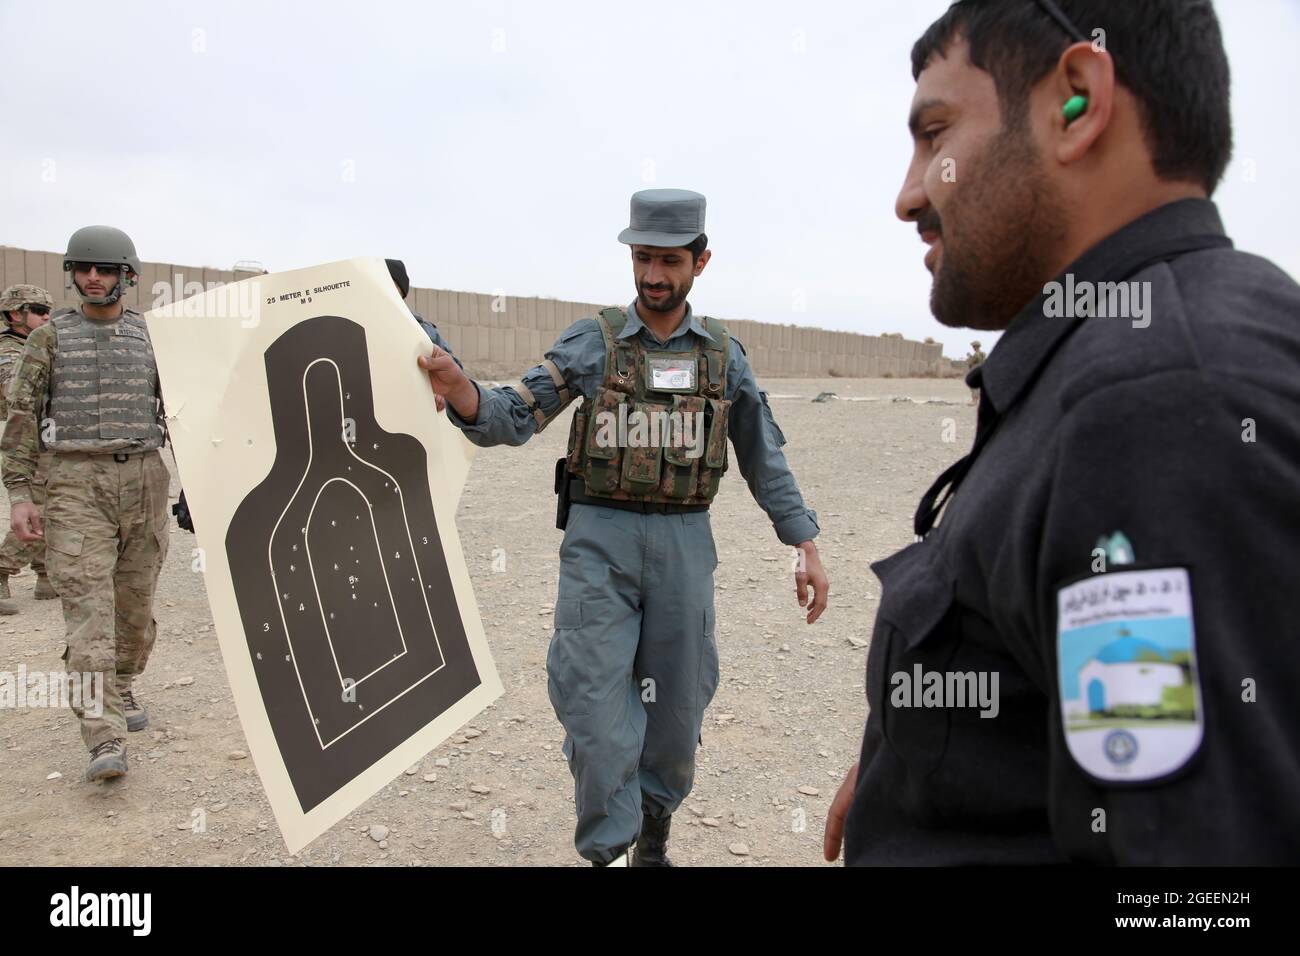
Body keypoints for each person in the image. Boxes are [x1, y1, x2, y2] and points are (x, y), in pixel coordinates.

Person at [824, 0, 1300, 865]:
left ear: (1076, 100)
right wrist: (927, 764)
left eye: (936, 133)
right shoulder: (1130, 349)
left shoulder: (1155, 403)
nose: (909, 194)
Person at [420, 188, 829, 866]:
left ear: (701, 261)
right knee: (595, 715)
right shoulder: (593, 343)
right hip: (599, 545)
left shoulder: (724, 356)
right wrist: (460, 387)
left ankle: (655, 834)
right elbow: (512, 414)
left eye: (670, 261)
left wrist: (805, 543)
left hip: (684, 548)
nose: (653, 276)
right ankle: (608, 849)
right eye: (643, 258)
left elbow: (764, 456)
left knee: (673, 721)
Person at [3, 225, 171, 783]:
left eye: (104, 269)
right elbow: (22, 420)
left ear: (128, 275)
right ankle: (102, 734)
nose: (92, 278)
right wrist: (20, 494)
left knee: (134, 610)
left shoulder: (153, 339)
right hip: (73, 482)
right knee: (88, 615)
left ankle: (122, 684)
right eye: (82, 268)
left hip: (144, 478)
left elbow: (182, 416)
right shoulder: (49, 339)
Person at [0, 284, 57, 613]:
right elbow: (12, 390)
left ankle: (46, 575)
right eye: (37, 310)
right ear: (14, 314)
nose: (47, 315)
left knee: (55, 503)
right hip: (26, 440)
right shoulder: (9, 349)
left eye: (48, 309)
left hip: (45, 437)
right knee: (39, 508)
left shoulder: (40, 345)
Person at [964, 339, 985, 404]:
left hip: (974, 371)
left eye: (973, 346)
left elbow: (970, 363)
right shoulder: (983, 354)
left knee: (973, 386)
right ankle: (978, 400)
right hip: (980, 371)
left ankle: (974, 400)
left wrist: (969, 357)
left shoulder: (976, 354)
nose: (973, 348)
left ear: (975, 347)